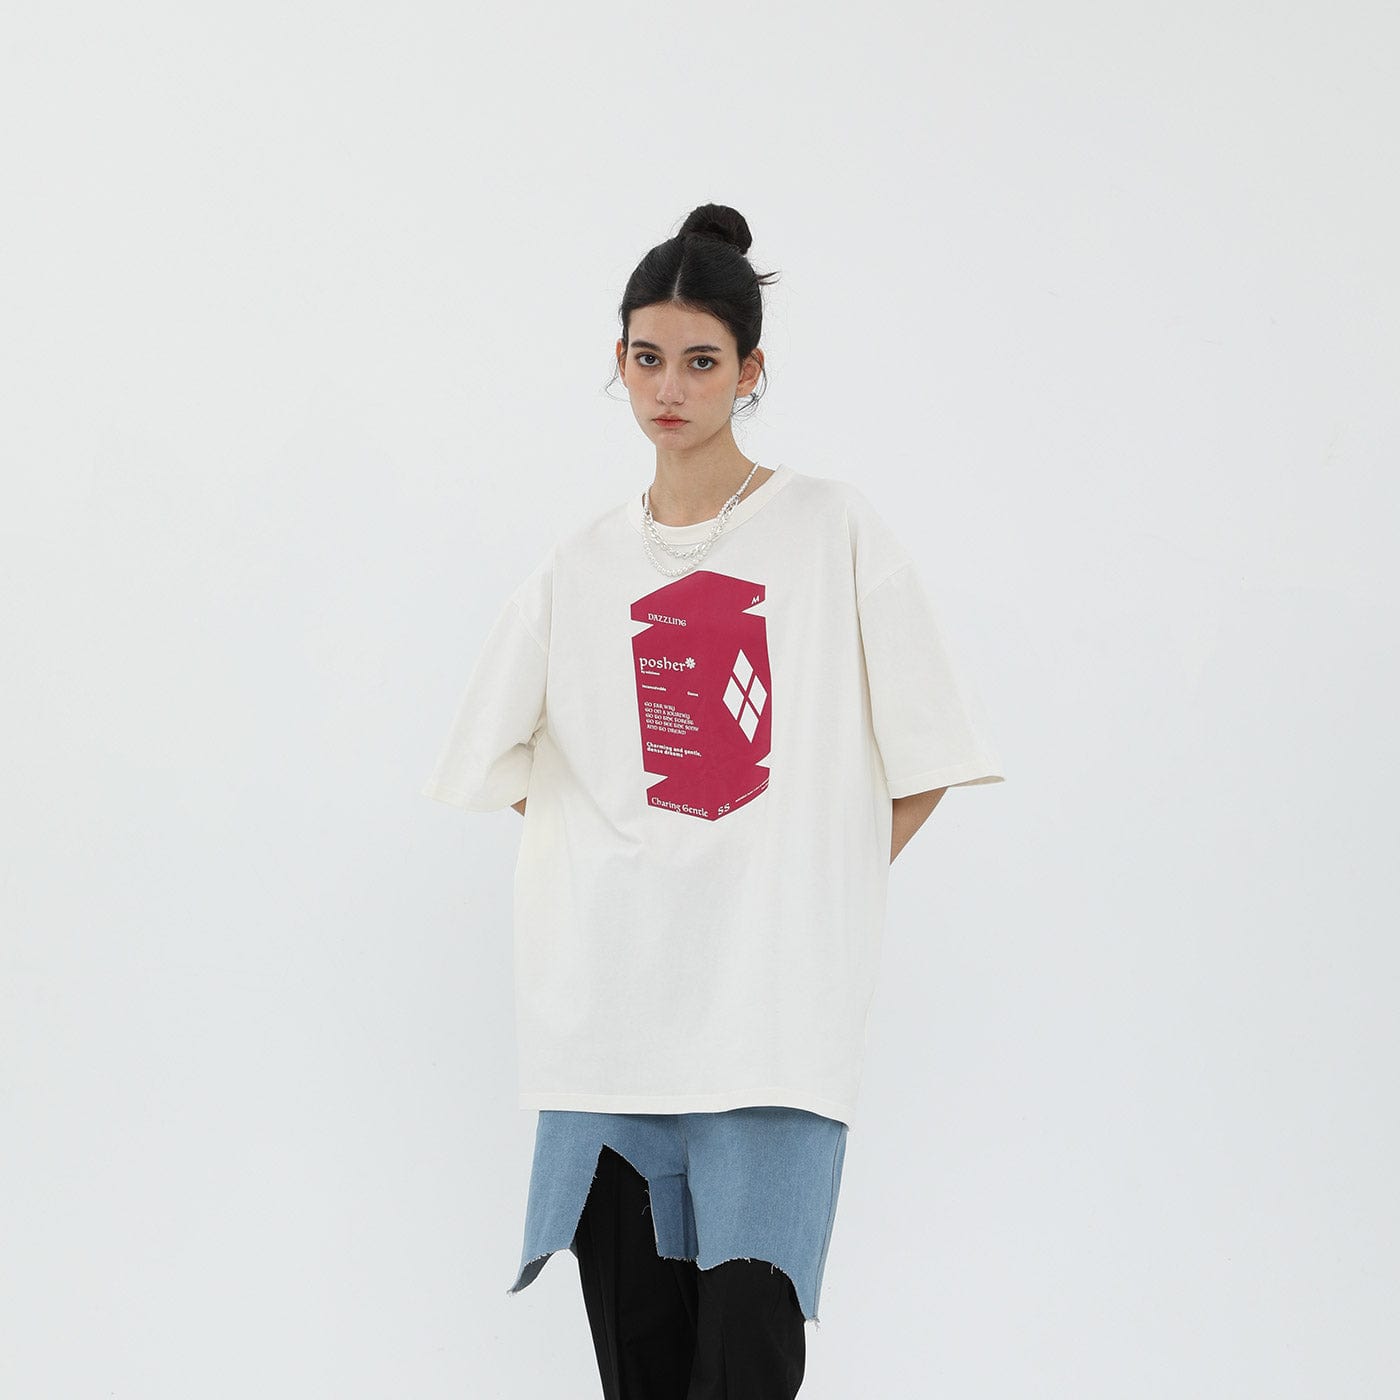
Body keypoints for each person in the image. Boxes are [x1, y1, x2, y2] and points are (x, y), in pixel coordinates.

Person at [422, 202, 1005, 1400]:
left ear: (749, 370)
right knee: (638, 1375)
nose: (669, 387)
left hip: (772, 1036)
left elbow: (926, 756)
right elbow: (492, 757)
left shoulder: (829, 529)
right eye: (647, 357)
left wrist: (797, 887)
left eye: (700, 360)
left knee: (745, 1362)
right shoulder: (579, 563)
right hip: (610, 1041)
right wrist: (621, 866)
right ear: (617, 361)